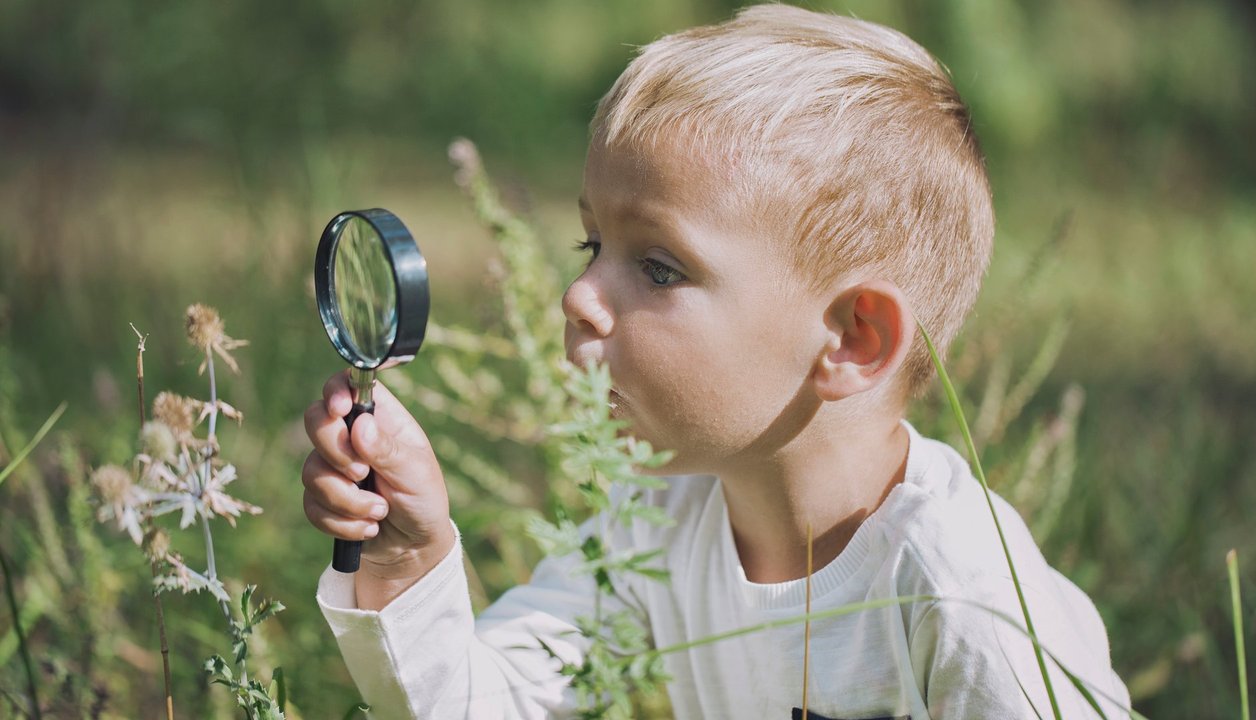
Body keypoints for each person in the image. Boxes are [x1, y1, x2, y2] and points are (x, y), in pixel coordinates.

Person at [301, 5, 1132, 718]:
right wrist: (406, 556)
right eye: (592, 245)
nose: (577, 297)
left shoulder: (960, 590)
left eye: (658, 267)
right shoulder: (655, 526)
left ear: (851, 340)